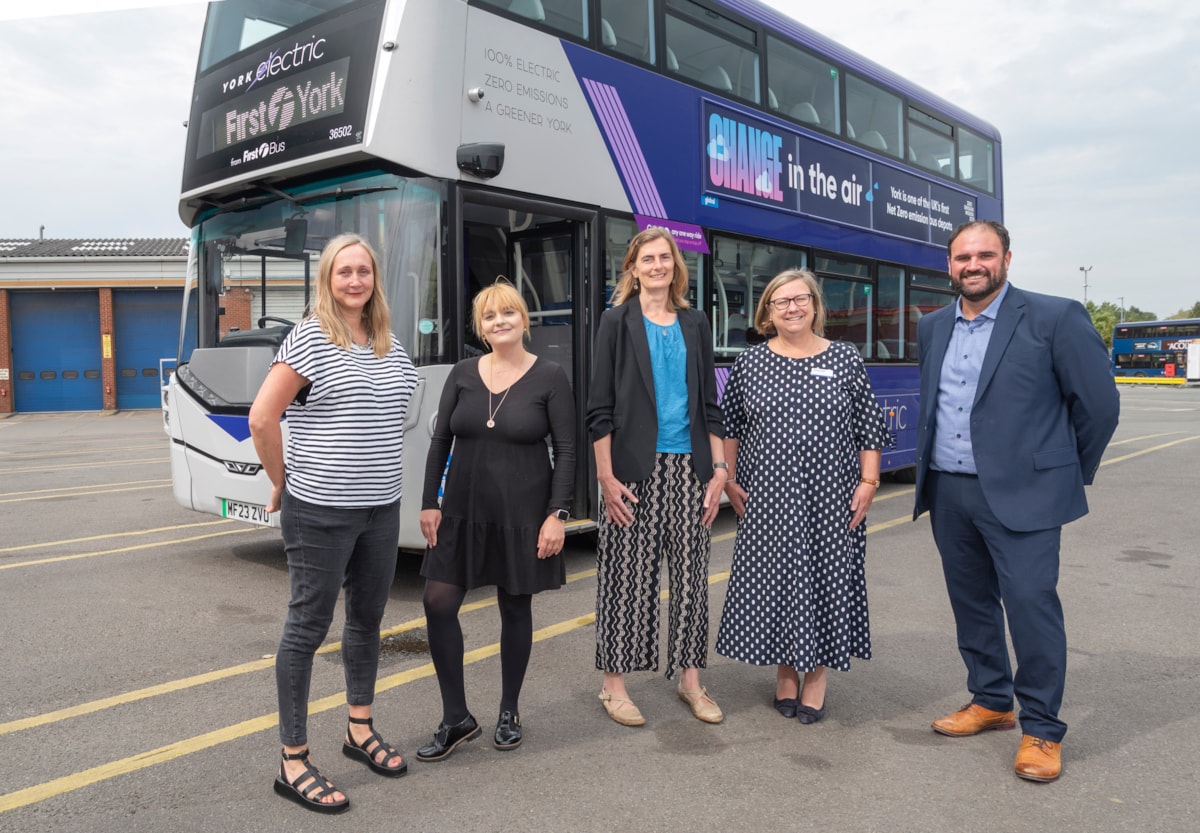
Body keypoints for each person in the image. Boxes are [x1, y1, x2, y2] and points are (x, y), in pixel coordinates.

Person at [913, 220, 1119, 783]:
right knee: (972, 603)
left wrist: (1061, 472)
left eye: (984, 255)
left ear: (1007, 258)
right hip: (949, 488)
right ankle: (991, 701)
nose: (972, 265)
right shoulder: (933, 327)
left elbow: (1098, 406)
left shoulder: (1053, 317)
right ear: (948, 264)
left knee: (1031, 607)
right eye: (962, 257)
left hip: (1026, 493)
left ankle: (1043, 730)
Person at [249, 233, 419, 813]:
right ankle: (292, 760)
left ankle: (359, 728)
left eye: (363, 271)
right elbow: (262, 416)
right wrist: (280, 479)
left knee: (367, 621)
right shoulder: (310, 339)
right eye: (343, 271)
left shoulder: (391, 346)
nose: (354, 280)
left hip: (380, 508)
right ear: (328, 279)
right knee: (306, 629)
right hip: (319, 509)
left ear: (374, 279)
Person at [715, 269, 890, 724]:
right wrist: (730, 480)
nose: (792, 308)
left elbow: (869, 428)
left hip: (831, 495)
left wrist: (868, 483)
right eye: (780, 301)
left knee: (824, 578)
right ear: (767, 312)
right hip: (768, 496)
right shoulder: (750, 363)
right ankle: (786, 673)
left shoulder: (846, 358)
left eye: (800, 299)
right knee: (778, 583)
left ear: (815, 305)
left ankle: (815, 678)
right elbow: (730, 427)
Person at [416, 281, 575, 760]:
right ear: (480, 328)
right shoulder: (463, 373)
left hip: (522, 511)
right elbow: (440, 439)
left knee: (515, 606)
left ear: (523, 320)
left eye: (508, 313)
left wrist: (557, 515)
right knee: (438, 601)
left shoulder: (550, 376)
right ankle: (456, 718)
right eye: (489, 317)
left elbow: (566, 450)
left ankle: (509, 709)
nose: (499, 321)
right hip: (462, 506)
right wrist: (429, 501)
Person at [587, 227, 728, 727]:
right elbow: (599, 408)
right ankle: (614, 685)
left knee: (692, 581)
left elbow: (711, 406)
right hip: (630, 471)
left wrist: (718, 471)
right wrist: (605, 477)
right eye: (647, 259)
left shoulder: (695, 322)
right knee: (626, 580)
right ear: (633, 267)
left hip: (689, 469)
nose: (657, 266)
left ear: (675, 266)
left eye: (664, 258)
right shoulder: (615, 322)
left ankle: (691, 681)